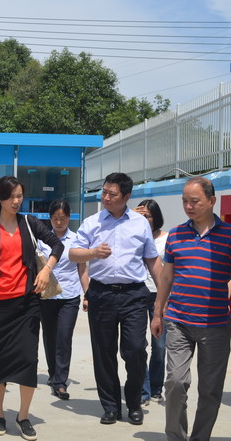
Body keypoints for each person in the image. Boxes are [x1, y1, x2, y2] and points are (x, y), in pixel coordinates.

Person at [0, 176, 64, 441]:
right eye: (11, 197)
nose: (16, 201)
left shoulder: (29, 223)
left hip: (26, 304)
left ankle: (23, 416)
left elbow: (57, 244)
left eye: (20, 196)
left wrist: (46, 270)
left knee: (28, 360)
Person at [151, 176, 231, 441]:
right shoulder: (176, 234)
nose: (188, 206)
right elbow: (166, 277)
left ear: (211, 200)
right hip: (178, 322)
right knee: (175, 382)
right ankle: (175, 436)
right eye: (184, 201)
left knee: (210, 389)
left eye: (194, 201)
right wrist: (157, 314)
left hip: (215, 326)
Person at [69, 172, 161, 426]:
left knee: (135, 350)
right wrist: (93, 252)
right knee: (104, 352)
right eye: (104, 192)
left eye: (112, 194)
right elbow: (74, 254)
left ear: (126, 197)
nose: (106, 198)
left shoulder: (140, 223)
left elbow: (152, 260)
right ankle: (110, 406)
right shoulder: (92, 222)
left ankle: (134, 402)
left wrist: (165, 296)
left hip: (134, 295)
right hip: (102, 294)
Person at [37, 200, 89, 401]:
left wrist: (87, 294)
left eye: (63, 218)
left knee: (64, 336)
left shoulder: (76, 240)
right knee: (50, 337)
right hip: (47, 295)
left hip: (69, 296)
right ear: (50, 219)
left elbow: (82, 269)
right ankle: (53, 373)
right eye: (55, 219)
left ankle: (60, 381)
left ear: (69, 217)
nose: (59, 223)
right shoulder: (42, 240)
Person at [133, 199, 168, 406]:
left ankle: (156, 387)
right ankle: (143, 390)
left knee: (160, 346)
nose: (144, 220)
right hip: (138, 293)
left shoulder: (167, 239)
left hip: (159, 295)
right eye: (140, 216)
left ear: (156, 218)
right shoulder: (133, 235)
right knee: (138, 345)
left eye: (147, 216)